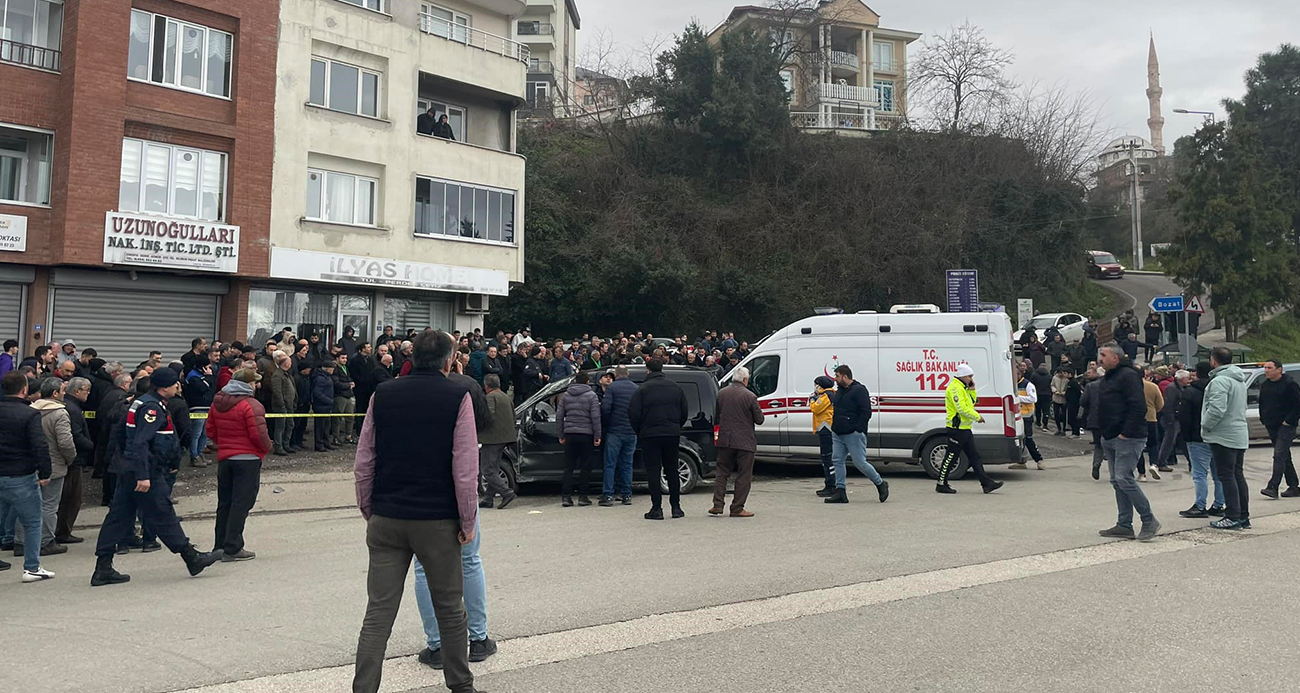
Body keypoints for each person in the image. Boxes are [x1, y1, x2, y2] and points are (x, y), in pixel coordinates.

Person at [351, 330, 481, 693]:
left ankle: (364, 688)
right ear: (448, 360)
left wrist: (368, 507)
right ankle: (460, 684)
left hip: (387, 517)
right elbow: (465, 466)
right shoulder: (458, 396)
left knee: (378, 613)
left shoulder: (384, 393)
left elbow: (365, 459)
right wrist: (467, 519)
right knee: (450, 610)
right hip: (437, 519)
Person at [90, 367, 223, 586]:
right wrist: (143, 475)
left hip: (132, 469)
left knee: (119, 516)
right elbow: (140, 442)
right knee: (163, 513)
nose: (178, 387)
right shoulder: (151, 408)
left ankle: (103, 566)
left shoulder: (143, 402)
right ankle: (192, 557)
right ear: (163, 387)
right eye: (175, 384)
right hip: (145, 471)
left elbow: (125, 436)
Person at [204, 368, 270, 562]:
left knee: (224, 502)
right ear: (247, 385)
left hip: (226, 458)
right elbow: (259, 435)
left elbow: (210, 430)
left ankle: (220, 544)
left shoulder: (217, 403)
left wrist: (223, 445)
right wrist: (267, 448)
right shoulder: (251, 405)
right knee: (242, 503)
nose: (256, 385)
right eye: (254, 382)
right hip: (247, 459)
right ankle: (233, 547)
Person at [1096, 344, 1160, 542]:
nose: (1100, 358)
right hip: (1110, 435)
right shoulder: (1110, 376)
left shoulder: (1128, 375)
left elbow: (1137, 405)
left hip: (1128, 436)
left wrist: (1126, 432)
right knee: (1117, 481)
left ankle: (1149, 520)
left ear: (1115, 358)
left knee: (1124, 478)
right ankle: (1124, 524)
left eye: (1104, 355)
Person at [0, 372, 54, 580]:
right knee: (32, 522)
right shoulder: (29, 414)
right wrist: (45, 472)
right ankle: (32, 567)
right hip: (21, 474)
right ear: (24, 390)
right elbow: (39, 446)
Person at [628, 358, 688, 520]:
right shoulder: (675, 387)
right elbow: (684, 412)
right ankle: (676, 507)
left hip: (650, 435)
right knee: (672, 470)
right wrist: (675, 426)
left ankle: (657, 508)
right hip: (671, 433)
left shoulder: (642, 389)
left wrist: (640, 431)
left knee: (653, 471)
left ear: (648, 370)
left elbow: (633, 414)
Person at [24, 378, 76, 557]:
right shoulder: (59, 413)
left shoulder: (29, 410)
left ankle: (20, 541)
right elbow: (65, 442)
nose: (64, 393)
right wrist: (70, 458)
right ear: (54, 393)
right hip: (54, 465)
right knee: (49, 505)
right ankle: (46, 541)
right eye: (62, 390)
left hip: (30, 465)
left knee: (26, 504)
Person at [822, 365, 889, 503]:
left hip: (853, 434)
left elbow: (866, 412)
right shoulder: (839, 391)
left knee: (860, 463)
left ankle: (880, 483)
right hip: (838, 433)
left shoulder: (859, 390)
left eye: (837, 376)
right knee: (837, 460)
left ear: (845, 376)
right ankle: (840, 491)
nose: (835, 379)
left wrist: (857, 429)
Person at [1201, 346, 1251, 529]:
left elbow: (1216, 409)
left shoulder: (1219, 381)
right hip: (1238, 432)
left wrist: (1205, 425)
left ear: (1213, 360)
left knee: (1226, 475)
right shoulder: (1238, 380)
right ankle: (1242, 515)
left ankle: (1232, 515)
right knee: (1237, 474)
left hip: (1223, 435)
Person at [935, 364, 1003, 495]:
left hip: (965, 428)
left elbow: (971, 403)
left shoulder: (963, 387)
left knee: (974, 456)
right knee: (951, 457)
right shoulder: (955, 388)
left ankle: (986, 483)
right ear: (961, 375)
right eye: (969, 376)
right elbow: (961, 408)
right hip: (957, 429)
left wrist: (972, 390)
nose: (971, 379)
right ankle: (941, 483)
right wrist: (977, 417)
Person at [709, 366, 764, 518]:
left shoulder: (721, 393)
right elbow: (759, 420)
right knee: (744, 475)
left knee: (722, 473)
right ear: (745, 380)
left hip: (725, 439)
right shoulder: (750, 396)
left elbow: (717, 416)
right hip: (745, 441)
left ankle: (717, 505)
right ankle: (737, 508)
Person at [1177, 362, 1226, 518]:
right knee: (1218, 474)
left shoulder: (1190, 392)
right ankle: (1219, 504)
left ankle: (1200, 505)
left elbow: (1184, 417)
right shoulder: (1217, 388)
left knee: (1199, 474)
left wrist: (1185, 437)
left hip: (1196, 436)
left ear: (1195, 374)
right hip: (1216, 435)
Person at [55, 376, 94, 545]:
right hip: (73, 460)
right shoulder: (73, 409)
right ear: (77, 391)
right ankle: (63, 531)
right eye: (86, 390)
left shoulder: (66, 405)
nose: (88, 394)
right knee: (71, 497)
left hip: (67, 459)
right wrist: (91, 446)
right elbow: (75, 436)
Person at [557, 371, 601, 507]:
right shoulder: (591, 396)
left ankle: (566, 497)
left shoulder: (566, 395)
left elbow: (559, 416)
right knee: (585, 466)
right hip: (586, 434)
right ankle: (583, 496)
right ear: (587, 381)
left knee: (569, 466)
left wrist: (561, 434)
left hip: (570, 433)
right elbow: (595, 417)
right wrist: (597, 435)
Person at [1258, 359, 1300, 499]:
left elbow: (1297, 404)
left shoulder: (1290, 384)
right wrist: (1263, 418)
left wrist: (1289, 421)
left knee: (1279, 455)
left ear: (1279, 369)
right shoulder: (1265, 385)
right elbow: (1262, 403)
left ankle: (1273, 487)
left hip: (1286, 426)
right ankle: (1293, 486)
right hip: (1271, 424)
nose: (1266, 370)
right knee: (1284, 457)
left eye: (1269, 368)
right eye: (1265, 368)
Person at [599, 365, 639, 506]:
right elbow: (638, 410)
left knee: (610, 464)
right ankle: (626, 495)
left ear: (616, 374)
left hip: (615, 431)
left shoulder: (612, 388)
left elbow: (605, 408)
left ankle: (608, 495)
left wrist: (608, 423)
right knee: (627, 464)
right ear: (627, 374)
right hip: (631, 431)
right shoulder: (635, 388)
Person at [478, 375, 517, 510]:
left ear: (486, 386)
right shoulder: (506, 397)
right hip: (505, 437)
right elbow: (513, 415)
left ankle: (506, 492)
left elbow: (489, 415)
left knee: (487, 470)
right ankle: (488, 498)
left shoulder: (490, 397)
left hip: (491, 438)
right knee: (494, 468)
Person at [1009, 361, 1045, 470]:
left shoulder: (1028, 385)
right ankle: (1021, 461)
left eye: (1017, 375)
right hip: (1016, 415)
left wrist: (1018, 398)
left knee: (1028, 439)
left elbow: (1033, 398)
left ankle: (1039, 460)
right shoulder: (1011, 385)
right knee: (1018, 440)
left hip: (1026, 415)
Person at [1154, 370, 1190, 474]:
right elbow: (1168, 405)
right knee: (1169, 441)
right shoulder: (1172, 388)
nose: (1188, 381)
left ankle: (1191, 462)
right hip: (1172, 419)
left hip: (1178, 418)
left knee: (1183, 441)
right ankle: (1161, 462)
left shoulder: (1179, 388)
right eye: (1187, 378)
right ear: (1182, 379)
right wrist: (1170, 420)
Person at [810, 376, 837, 497]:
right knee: (827, 459)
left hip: (826, 430)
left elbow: (816, 408)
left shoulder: (826, 396)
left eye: (816, 385)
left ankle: (831, 485)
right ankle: (830, 484)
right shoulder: (829, 394)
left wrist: (811, 399)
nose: (815, 387)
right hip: (826, 429)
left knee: (827, 459)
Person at [267, 351, 297, 456]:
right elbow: (277, 391)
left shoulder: (287, 375)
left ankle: (286, 444)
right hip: (282, 406)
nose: (291, 364)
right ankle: (278, 447)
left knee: (290, 425)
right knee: (280, 427)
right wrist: (282, 404)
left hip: (290, 405)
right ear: (286, 364)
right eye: (290, 362)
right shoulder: (277, 375)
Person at [1080, 365, 1106, 480]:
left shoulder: (1091, 386)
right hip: (1111, 420)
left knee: (1098, 444)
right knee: (1112, 444)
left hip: (1094, 419)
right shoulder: (1112, 385)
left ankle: (1096, 464)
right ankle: (1115, 468)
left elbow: (1083, 401)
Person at [1139, 371, 1165, 481]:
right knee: (1153, 444)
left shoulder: (1130, 386)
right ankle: (1154, 464)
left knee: (1138, 446)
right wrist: (1154, 410)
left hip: (1137, 419)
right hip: (1151, 418)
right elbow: (1160, 404)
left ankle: (1141, 473)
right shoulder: (1153, 386)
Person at [332, 352, 356, 447]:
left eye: (346, 358)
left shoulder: (345, 368)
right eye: (342, 358)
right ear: (337, 359)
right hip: (340, 395)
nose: (345, 360)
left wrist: (350, 383)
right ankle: (335, 437)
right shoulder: (335, 369)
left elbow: (348, 378)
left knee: (350, 417)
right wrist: (348, 385)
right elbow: (336, 383)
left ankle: (348, 436)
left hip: (348, 394)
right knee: (337, 418)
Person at [311, 359, 336, 452]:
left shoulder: (327, 377)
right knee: (320, 427)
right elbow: (317, 393)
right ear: (328, 369)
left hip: (326, 406)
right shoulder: (320, 378)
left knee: (326, 426)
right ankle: (319, 444)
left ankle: (326, 442)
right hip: (321, 406)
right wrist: (329, 401)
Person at [1050, 367, 1069, 435]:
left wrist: (1064, 393)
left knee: (1064, 415)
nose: (1061, 374)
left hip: (1063, 399)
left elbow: (1068, 388)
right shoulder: (1055, 378)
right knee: (1056, 415)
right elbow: (1052, 385)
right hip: (1056, 398)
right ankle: (1058, 428)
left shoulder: (1067, 379)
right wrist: (1055, 391)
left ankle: (1064, 429)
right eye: (1060, 373)